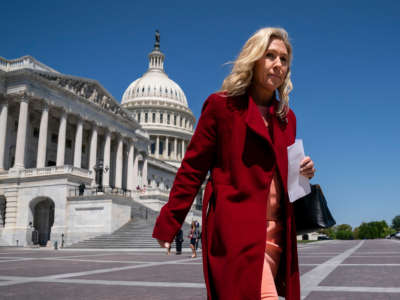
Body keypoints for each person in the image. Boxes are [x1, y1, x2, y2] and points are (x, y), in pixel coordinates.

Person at [153, 27, 315, 300]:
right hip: (238, 233)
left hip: (278, 234)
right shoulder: (221, 107)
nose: (278, 64)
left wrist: (304, 172)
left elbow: (283, 178)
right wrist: (170, 221)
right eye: (270, 55)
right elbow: (192, 169)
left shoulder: (287, 118)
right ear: (254, 59)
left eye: (284, 59)